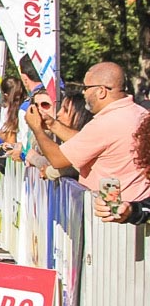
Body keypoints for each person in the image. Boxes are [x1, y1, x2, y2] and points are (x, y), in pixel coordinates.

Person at [27, 62, 150, 204]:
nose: (84, 93)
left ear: (101, 91)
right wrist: (52, 124)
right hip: (135, 210)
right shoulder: (139, 113)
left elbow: (58, 160)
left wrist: (37, 129)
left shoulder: (106, 123)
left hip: (112, 214)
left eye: (86, 88)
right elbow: (85, 143)